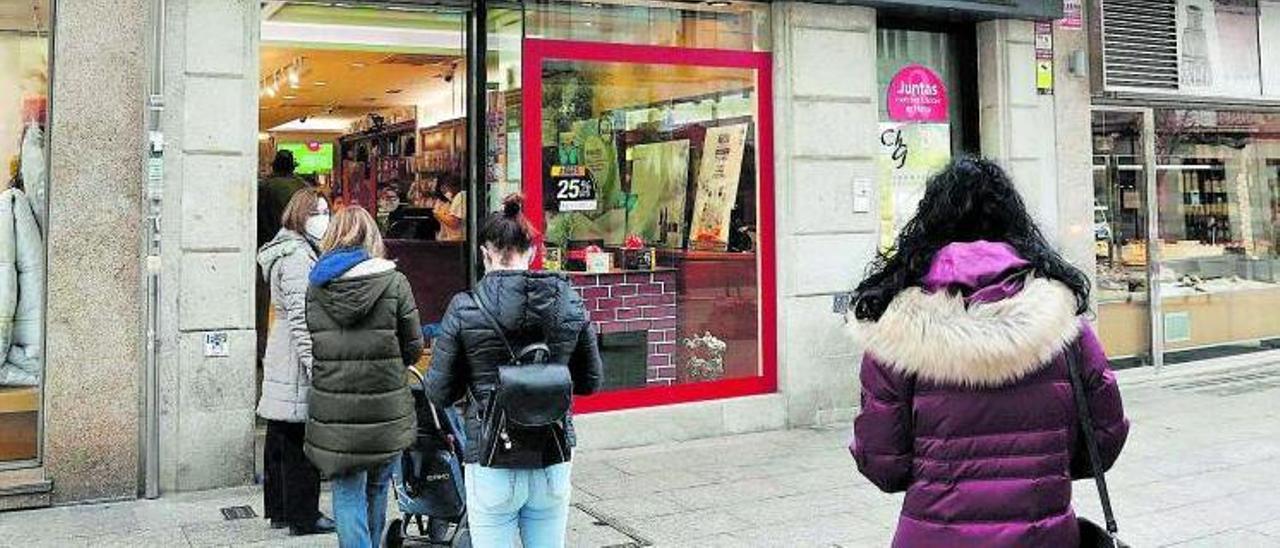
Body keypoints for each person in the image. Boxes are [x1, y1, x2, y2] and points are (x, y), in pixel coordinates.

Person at [848, 156, 1129, 548]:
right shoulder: (1063, 322)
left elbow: (883, 464)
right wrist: (1044, 467)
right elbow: (1103, 440)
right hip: (1044, 537)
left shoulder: (897, 328)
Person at [425, 194, 602, 548]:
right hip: (553, 452)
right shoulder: (569, 299)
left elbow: (439, 391)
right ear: (533, 252)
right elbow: (590, 382)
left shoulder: (465, 308)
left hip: (491, 455)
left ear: (484, 253)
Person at [304, 206, 422, 548]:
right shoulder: (395, 281)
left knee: (346, 489)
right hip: (386, 403)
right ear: (371, 236)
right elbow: (413, 347)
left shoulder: (317, 287)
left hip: (335, 406)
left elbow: (317, 341)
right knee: (378, 486)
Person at [256, 188, 334, 536]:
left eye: (326, 210)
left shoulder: (290, 249)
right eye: (317, 212)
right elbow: (304, 319)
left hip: (282, 351)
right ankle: (303, 515)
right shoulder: (297, 257)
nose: (324, 218)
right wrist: (315, 366)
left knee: (281, 433)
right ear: (299, 215)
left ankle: (280, 509)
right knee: (300, 437)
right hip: (294, 357)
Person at [258, 149, 308, 372]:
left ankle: (261, 350)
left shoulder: (265, 187)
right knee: (298, 304)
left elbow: (259, 217)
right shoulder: (303, 188)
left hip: (268, 248)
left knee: (262, 302)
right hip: (299, 247)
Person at [434, 175, 466, 242]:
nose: (447, 190)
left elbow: (454, 223)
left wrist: (438, 214)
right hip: (451, 238)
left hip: (458, 240)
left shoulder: (460, 196)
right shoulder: (453, 197)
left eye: (447, 187)